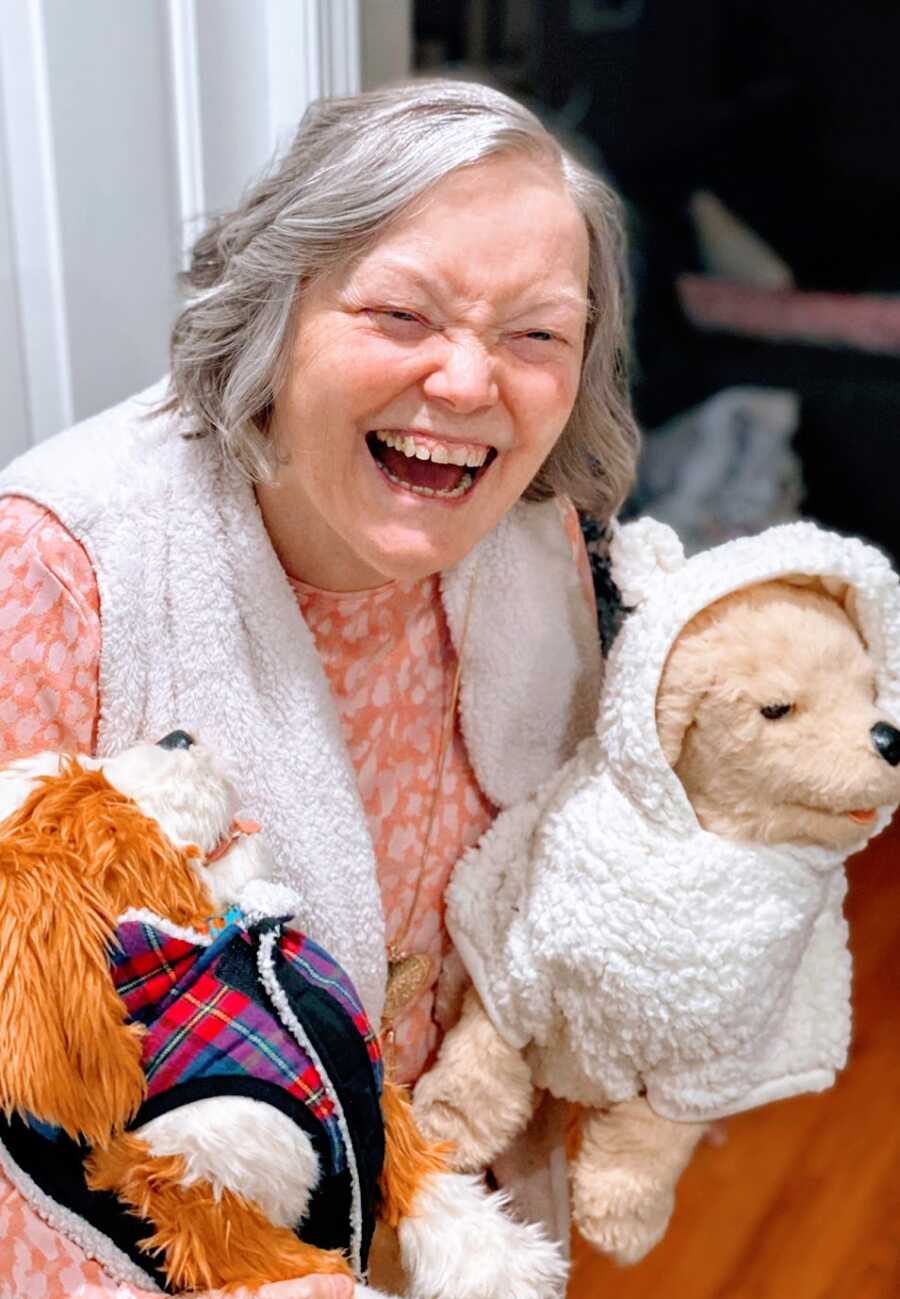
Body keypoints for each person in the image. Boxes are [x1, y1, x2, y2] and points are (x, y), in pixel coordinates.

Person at [0, 79, 639, 1297]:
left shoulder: (537, 534)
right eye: (403, 313)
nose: (468, 385)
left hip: (455, 1207)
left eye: (535, 334)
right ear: (274, 309)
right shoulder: (60, 565)